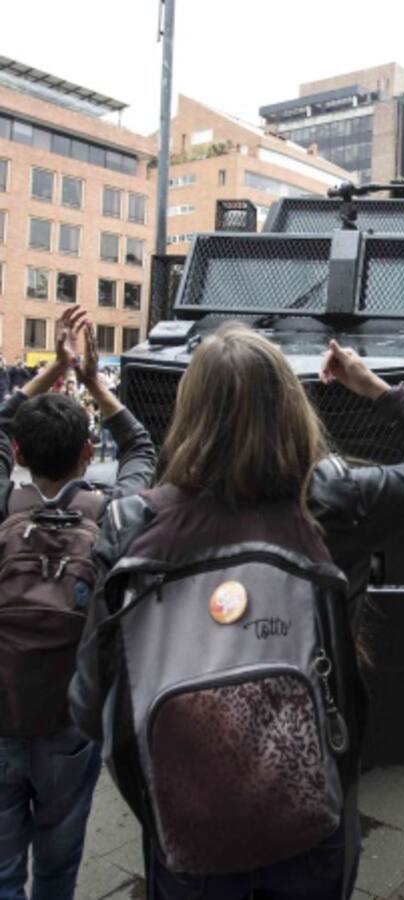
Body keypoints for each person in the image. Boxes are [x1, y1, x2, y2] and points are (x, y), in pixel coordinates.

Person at [70, 322, 404, 899]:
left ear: (190, 412)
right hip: (312, 824)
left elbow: (89, 705)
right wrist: (373, 386)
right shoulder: (336, 503)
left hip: (187, 836)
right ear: (290, 406)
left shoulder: (133, 523)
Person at [0, 307, 156, 900]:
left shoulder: (3, 505)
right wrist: (92, 381)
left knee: (3, 870)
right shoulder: (114, 512)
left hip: (0, 715)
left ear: (18, 452)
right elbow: (141, 444)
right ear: (88, 454)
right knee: (59, 864)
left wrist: (52, 371)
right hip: (70, 719)